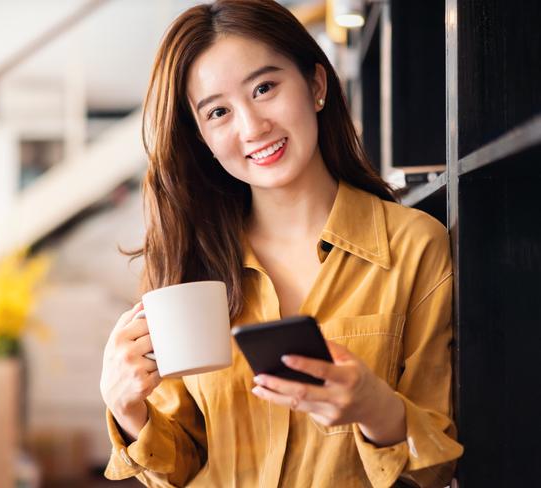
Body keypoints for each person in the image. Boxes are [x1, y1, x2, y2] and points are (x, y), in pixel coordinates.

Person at [99, 1, 464, 486]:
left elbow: (438, 466)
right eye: (219, 112)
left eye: (265, 88)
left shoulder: (414, 246)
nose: (252, 127)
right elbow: (179, 463)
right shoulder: (187, 267)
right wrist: (127, 410)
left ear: (316, 85)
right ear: (202, 137)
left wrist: (377, 409)